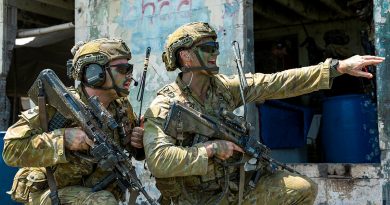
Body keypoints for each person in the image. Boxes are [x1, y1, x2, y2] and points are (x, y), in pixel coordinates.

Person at [143, 22, 385, 205]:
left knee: (301, 188)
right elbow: (159, 161)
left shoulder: (223, 88)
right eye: (208, 48)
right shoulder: (166, 105)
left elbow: (276, 82)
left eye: (216, 46)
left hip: (233, 190)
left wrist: (337, 68)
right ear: (185, 57)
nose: (216, 52)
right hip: (195, 199)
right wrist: (211, 149)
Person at [3, 38, 145, 205]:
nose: (129, 75)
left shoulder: (121, 108)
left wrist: (138, 143)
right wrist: (62, 140)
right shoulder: (60, 105)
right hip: (52, 192)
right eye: (123, 69)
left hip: (94, 191)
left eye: (130, 69)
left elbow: (129, 147)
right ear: (94, 73)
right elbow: (10, 150)